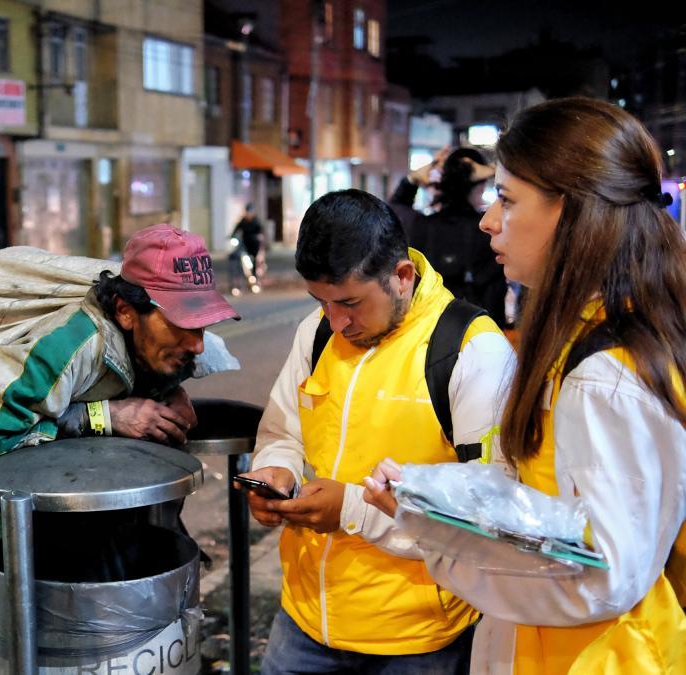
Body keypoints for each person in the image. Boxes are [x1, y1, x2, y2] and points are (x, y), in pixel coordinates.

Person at [364, 97, 686, 673]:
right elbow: (555, 508)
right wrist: (436, 500)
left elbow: (601, 575)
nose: (488, 219)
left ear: (572, 211)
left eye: (508, 200)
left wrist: (444, 543)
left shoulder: (604, 375)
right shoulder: (596, 337)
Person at [0, 224, 240, 674]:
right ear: (126, 311)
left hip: (87, 550)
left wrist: (166, 391)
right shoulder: (71, 345)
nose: (196, 343)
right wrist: (106, 417)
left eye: (202, 322)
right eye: (180, 323)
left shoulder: (162, 346)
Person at [239, 189, 515, 674]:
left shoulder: (471, 351)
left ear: (402, 277)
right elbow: (282, 429)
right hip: (305, 618)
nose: (336, 320)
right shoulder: (318, 331)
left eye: (349, 303)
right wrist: (275, 471)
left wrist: (350, 510)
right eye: (320, 301)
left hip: (418, 639)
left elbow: (489, 513)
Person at [391, 147, 508, 327]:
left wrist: (412, 180)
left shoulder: (421, 226)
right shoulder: (489, 230)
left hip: (430, 333)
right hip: (482, 332)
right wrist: (496, 169)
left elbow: (394, 210)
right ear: (479, 183)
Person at [229, 202, 265, 295]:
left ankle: (255, 278)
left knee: (255, 261)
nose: (249, 213)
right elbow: (236, 229)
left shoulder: (256, 221)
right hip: (245, 244)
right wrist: (232, 236)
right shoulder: (243, 221)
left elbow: (261, 231)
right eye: (248, 211)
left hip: (255, 245)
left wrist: (260, 237)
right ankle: (241, 280)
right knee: (241, 259)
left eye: (250, 211)